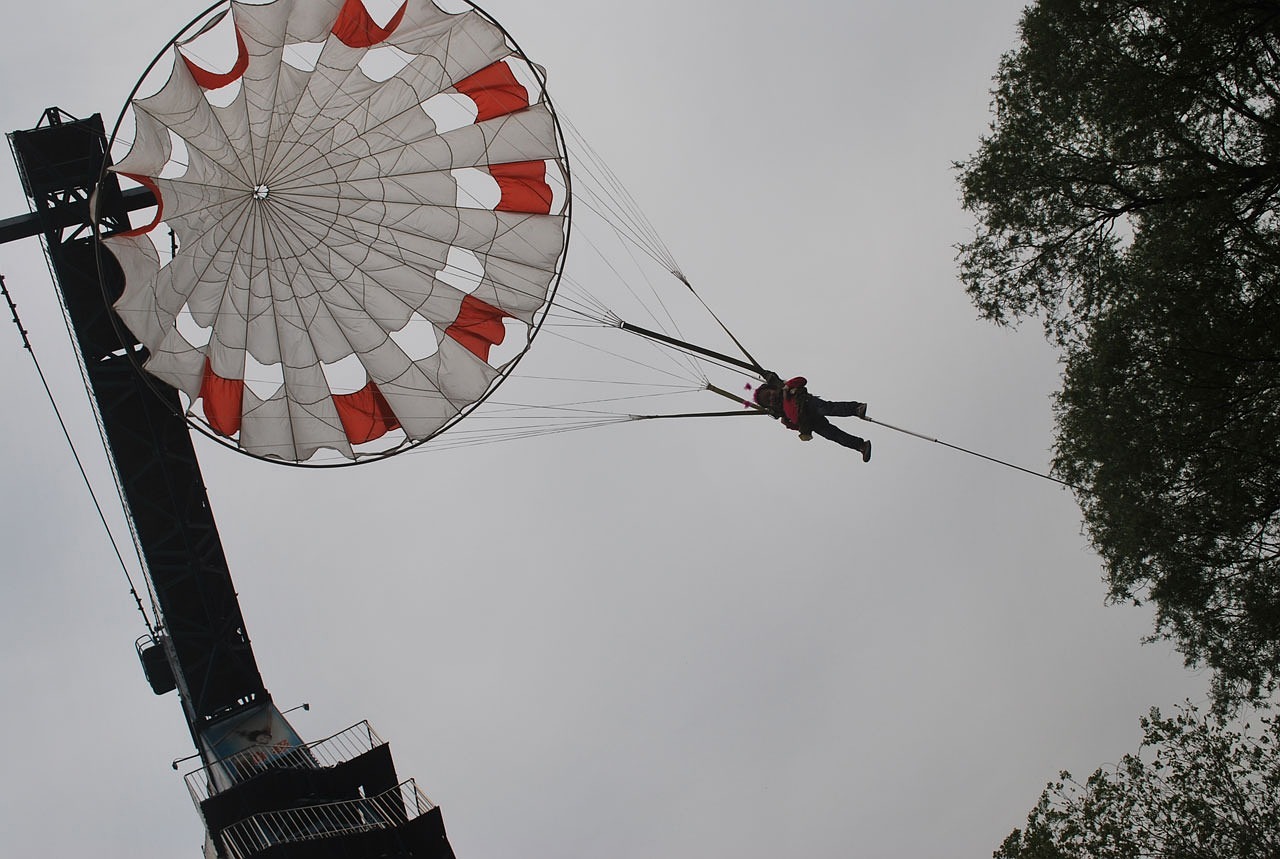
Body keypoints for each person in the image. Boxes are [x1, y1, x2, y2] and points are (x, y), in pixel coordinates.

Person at [753, 373, 872, 461]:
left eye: (769, 394)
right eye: (768, 401)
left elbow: (802, 380)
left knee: (829, 408)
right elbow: (796, 425)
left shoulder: (786, 390)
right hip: (809, 422)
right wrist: (788, 424)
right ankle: (860, 445)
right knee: (834, 435)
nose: (771, 398)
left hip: (808, 404)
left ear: (772, 388)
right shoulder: (782, 412)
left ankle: (856, 408)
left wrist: (788, 386)